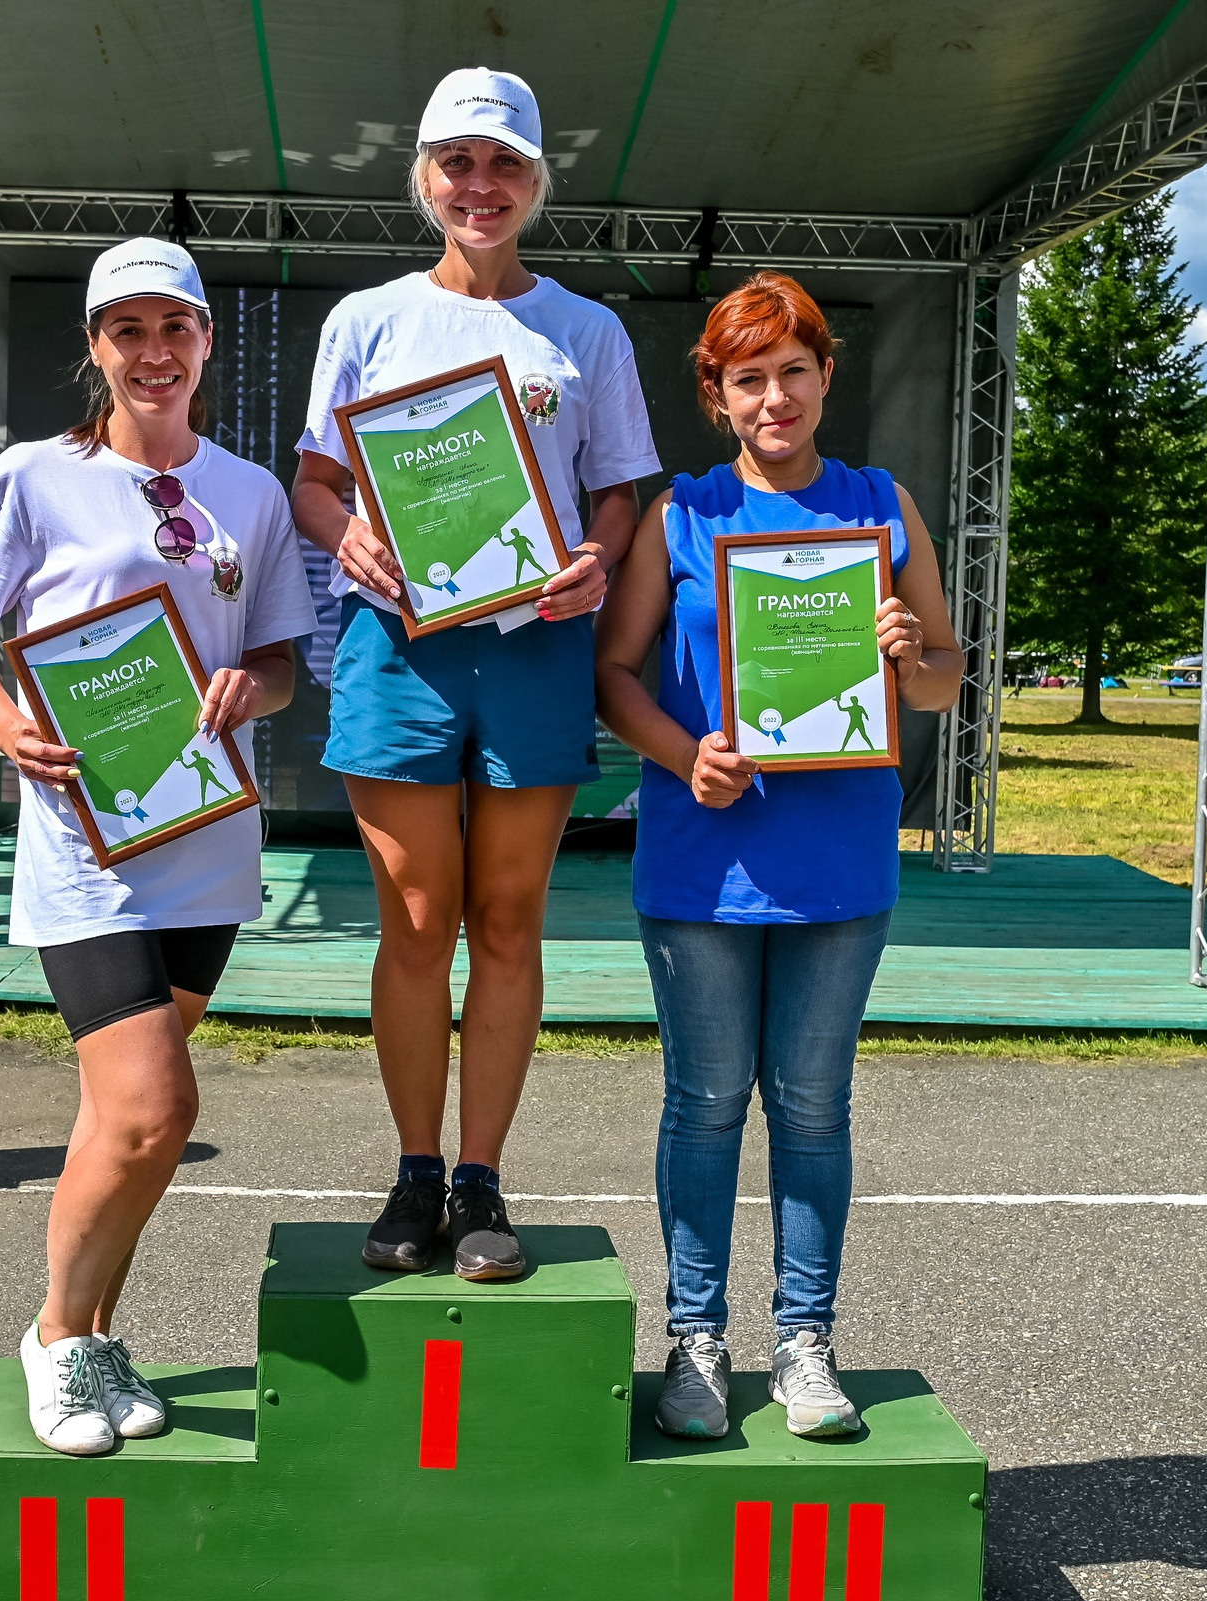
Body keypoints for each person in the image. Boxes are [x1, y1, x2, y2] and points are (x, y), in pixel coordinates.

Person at [0, 239, 315, 1457]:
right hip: (87, 843)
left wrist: (246, 693)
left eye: (175, 328)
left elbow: (283, 660)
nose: (153, 353)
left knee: (116, 1125)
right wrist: (12, 731)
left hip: (202, 835)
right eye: (126, 331)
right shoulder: (35, 477)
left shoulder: (247, 493)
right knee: (156, 1110)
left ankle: (95, 1333)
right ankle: (53, 1334)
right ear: (94, 348)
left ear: (206, 340)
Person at [291, 66, 661, 1282]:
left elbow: (618, 490)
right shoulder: (368, 320)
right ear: (424, 179)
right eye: (458, 161)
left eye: (504, 164)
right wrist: (342, 530)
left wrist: (596, 562)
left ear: (537, 182)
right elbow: (315, 478)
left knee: (507, 920)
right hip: (396, 647)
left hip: (536, 646)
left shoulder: (586, 330)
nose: (480, 185)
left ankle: (480, 1176)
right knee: (413, 919)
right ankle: (409, 1169)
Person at [594, 272, 967, 1440]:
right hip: (704, 862)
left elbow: (948, 680)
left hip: (840, 860)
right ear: (716, 393)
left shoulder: (880, 503)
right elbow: (613, 674)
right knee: (704, 1104)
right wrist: (680, 752)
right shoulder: (680, 514)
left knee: (812, 1107)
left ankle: (804, 1342)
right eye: (747, 378)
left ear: (824, 377)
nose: (774, 397)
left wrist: (912, 653)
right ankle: (694, 1343)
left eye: (793, 372)